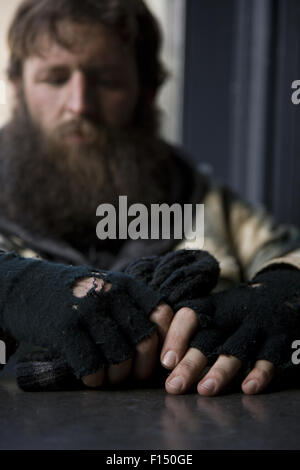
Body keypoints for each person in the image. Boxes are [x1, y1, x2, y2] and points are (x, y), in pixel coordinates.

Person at [0, 0, 300, 396]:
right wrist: (14, 286)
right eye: (55, 79)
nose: (79, 105)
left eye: (106, 80)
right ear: (19, 86)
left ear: (146, 90)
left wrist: (285, 293)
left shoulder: (206, 202)